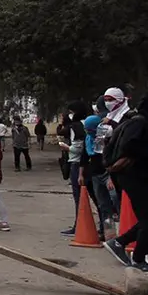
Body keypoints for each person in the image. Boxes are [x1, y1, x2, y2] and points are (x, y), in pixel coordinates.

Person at [102, 92, 148, 271]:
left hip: (134, 176)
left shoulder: (134, 120)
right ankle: (138, 259)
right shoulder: (140, 122)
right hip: (134, 176)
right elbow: (130, 147)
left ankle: (119, 242)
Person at [58, 101, 91, 237]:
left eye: (71, 112)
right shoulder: (88, 123)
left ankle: (79, 225)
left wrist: (66, 148)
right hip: (90, 162)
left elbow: (77, 148)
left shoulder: (75, 126)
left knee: (79, 197)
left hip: (77, 163)